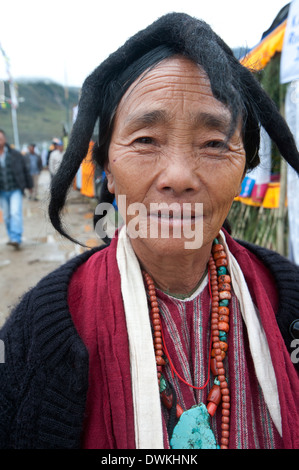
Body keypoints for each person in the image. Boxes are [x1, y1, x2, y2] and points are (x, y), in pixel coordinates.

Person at [0, 13, 299, 450]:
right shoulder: (40, 331)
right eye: (145, 140)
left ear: (244, 171)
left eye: (214, 144)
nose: (178, 176)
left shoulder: (288, 300)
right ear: (108, 169)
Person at [0, 129, 33, 249]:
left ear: (5, 139)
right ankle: (11, 236)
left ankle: (16, 238)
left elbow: (25, 170)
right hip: (2, 191)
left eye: (1, 138)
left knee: (15, 212)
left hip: (15, 189)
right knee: (7, 216)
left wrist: (29, 185)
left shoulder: (15, 154)